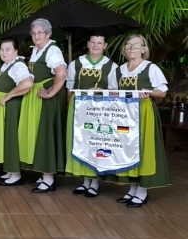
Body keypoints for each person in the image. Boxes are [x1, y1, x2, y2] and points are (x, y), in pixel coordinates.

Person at [106, 34, 170, 207]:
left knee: (143, 150)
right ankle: (132, 189)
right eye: (128, 45)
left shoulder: (151, 68)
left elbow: (162, 92)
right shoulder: (118, 70)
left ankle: (142, 191)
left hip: (144, 113)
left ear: (143, 49)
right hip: (124, 114)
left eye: (136, 45)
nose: (131, 48)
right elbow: (112, 91)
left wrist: (148, 92)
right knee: (128, 150)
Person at [65, 33, 118, 197]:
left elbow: (115, 91)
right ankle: (85, 181)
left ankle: (94, 182)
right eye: (93, 42)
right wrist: (69, 106)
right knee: (81, 142)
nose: (96, 45)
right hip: (78, 107)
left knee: (95, 143)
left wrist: (101, 91)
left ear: (105, 46)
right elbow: (70, 88)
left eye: (99, 43)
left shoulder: (112, 66)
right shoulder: (76, 64)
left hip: (99, 110)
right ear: (88, 44)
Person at [18, 18, 68, 192]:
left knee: (46, 134)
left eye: (40, 32)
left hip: (48, 99)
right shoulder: (37, 50)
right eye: (34, 33)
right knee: (39, 134)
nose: (37, 35)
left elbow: (62, 73)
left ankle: (49, 178)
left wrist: (51, 92)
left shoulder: (52, 50)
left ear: (48, 34)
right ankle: (44, 174)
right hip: (38, 97)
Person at [0, 39, 34, 186]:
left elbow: (28, 83)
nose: (4, 52)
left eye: (8, 49)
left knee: (11, 138)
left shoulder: (18, 65)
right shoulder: (7, 65)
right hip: (3, 107)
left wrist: (8, 96)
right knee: (6, 138)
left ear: (16, 51)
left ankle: (16, 174)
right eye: (2, 49)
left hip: (10, 107)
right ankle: (10, 171)